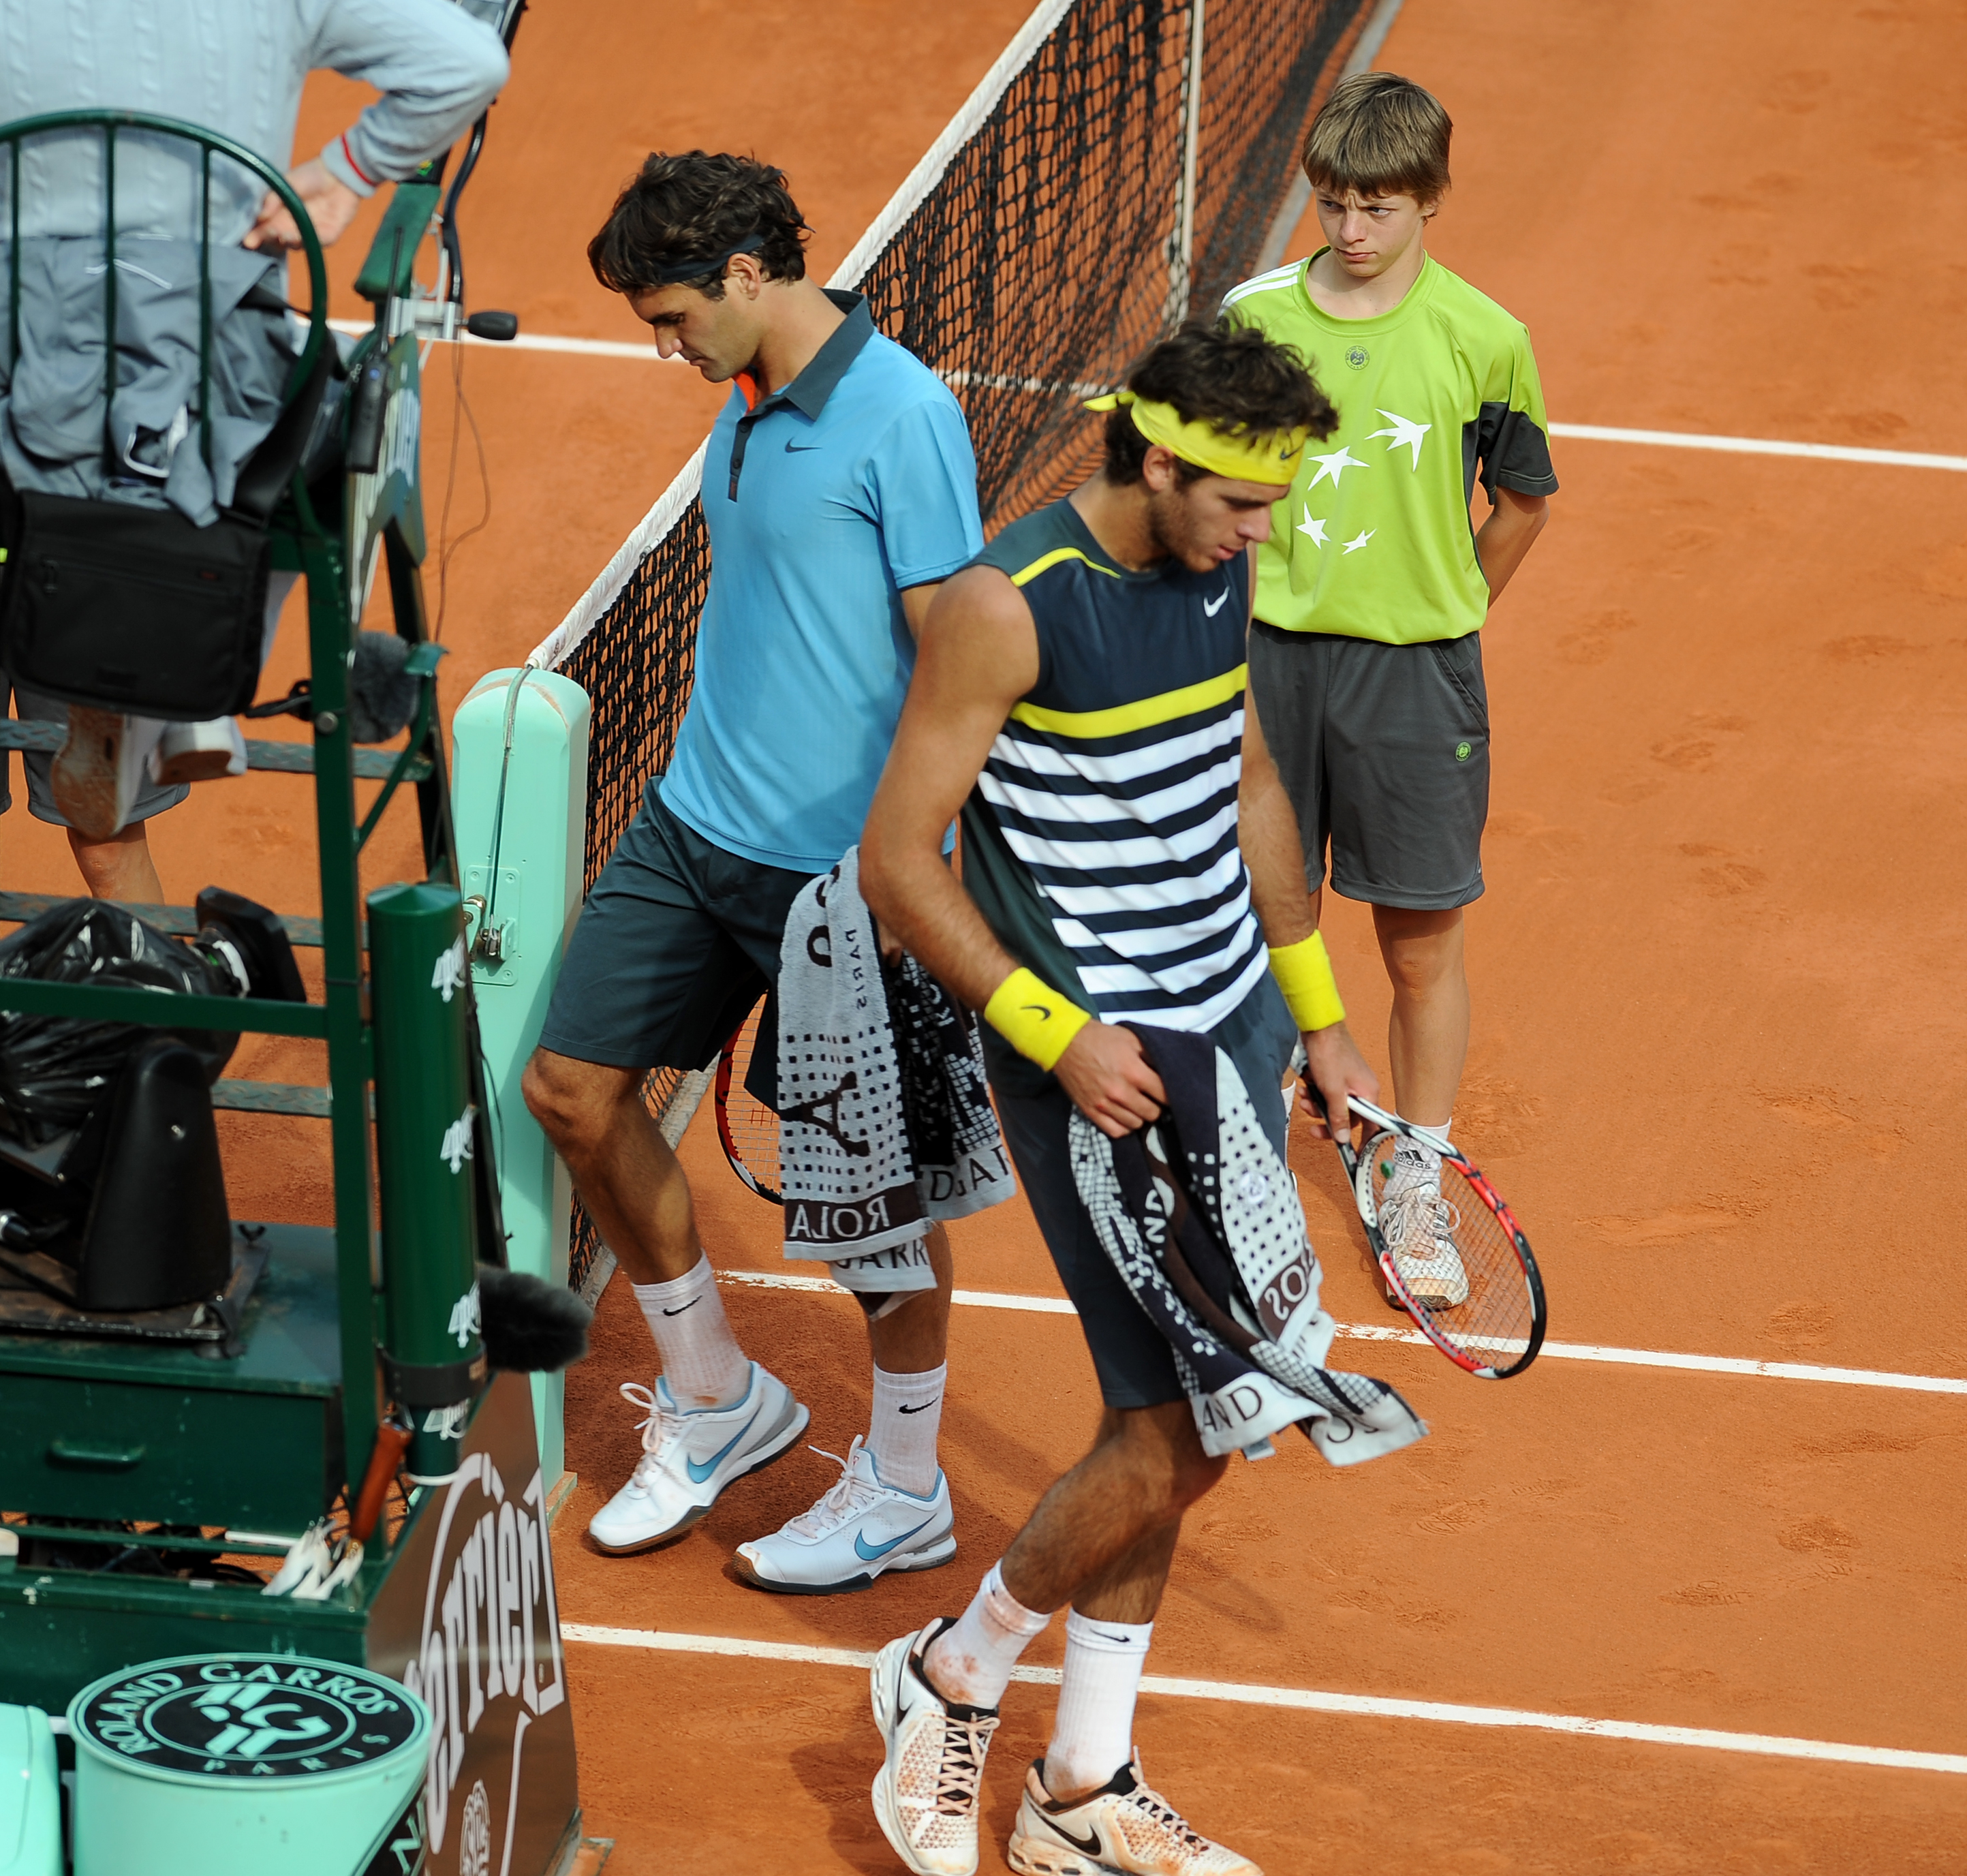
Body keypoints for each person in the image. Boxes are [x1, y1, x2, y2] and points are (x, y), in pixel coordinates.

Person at [0, 0, 510, 1188]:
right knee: (110, 798)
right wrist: (339, 177)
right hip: (192, 499)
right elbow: (462, 61)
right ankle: (202, 725)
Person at [856, 322, 1381, 1876]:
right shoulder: (1004, 608)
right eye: (1238, 501)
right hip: (1100, 1069)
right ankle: (949, 1676)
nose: (1259, 532)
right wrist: (1054, 1032)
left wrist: (1319, 1016)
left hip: (1227, 1045)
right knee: (1177, 1432)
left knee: (1181, 1420)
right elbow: (899, 862)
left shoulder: (1219, 569)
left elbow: (1249, 784)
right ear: (1159, 461)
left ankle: (1079, 1784)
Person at [521, 153, 989, 1590]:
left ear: (745, 273)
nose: (665, 352)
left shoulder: (901, 417)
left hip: (839, 885)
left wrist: (908, 869)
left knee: (869, 1207)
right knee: (571, 1092)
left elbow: (957, 663)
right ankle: (719, 1397)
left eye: (672, 320)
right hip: (690, 829)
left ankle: (905, 1487)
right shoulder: (743, 401)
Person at [1220, 72, 1554, 1305]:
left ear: (1429, 201)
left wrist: (1448, 606)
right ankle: (1249, 1175)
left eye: (1377, 206)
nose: (1350, 230)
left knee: (1419, 943)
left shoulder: (1484, 337)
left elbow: (1521, 501)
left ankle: (1415, 1165)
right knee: (1256, 923)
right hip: (1264, 667)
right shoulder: (1252, 316)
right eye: (1331, 204)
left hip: (1415, 677)